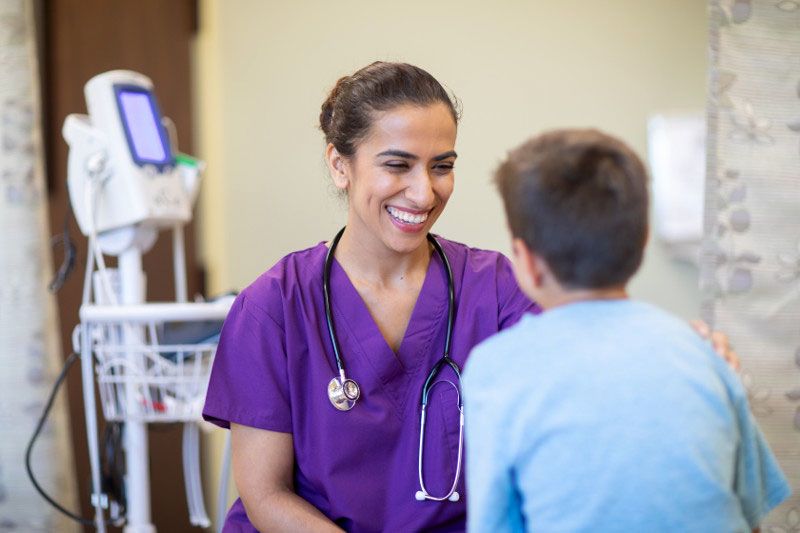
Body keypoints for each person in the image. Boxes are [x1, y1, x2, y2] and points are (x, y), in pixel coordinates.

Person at [203, 62, 739, 532]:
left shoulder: (497, 287)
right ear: (340, 164)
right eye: (397, 165)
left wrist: (688, 355)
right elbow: (265, 495)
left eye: (442, 166)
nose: (424, 192)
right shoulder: (274, 305)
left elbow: (587, 364)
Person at [463, 129, 790, 532]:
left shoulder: (496, 369)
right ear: (643, 242)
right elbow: (751, 517)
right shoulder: (704, 352)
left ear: (526, 261)